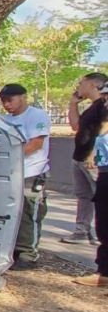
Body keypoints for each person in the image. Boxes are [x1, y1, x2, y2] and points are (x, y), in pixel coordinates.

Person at [0, 83, 51, 270]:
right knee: (12, 212)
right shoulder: (5, 119)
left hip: (32, 171)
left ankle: (29, 253)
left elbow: (36, 143)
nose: (6, 104)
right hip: (11, 173)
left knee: (30, 213)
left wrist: (12, 156)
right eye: (3, 101)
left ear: (23, 97)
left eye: (9, 100)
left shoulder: (36, 116)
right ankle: (13, 249)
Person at [62, 73, 108, 245]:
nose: (79, 86)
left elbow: (105, 128)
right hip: (79, 156)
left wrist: (93, 152)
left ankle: (102, 234)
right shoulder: (92, 107)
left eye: (82, 83)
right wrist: (73, 104)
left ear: (92, 85)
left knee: (101, 195)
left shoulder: (104, 105)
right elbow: (75, 126)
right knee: (84, 195)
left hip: (93, 159)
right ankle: (82, 231)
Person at [75, 84, 108, 287]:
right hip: (105, 172)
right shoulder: (103, 124)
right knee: (104, 224)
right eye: (104, 98)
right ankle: (104, 273)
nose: (106, 102)